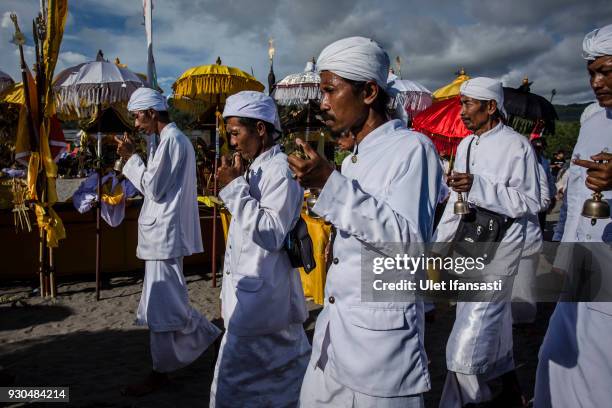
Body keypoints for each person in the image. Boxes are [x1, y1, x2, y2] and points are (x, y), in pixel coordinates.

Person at [289, 36, 442, 407]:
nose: (322, 102)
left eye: (330, 90)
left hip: (379, 348)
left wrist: (330, 184)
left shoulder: (411, 149)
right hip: (336, 335)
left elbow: (408, 246)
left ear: (369, 92)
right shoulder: (356, 156)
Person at [433, 77, 541, 407]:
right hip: (470, 247)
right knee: (489, 331)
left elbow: (531, 202)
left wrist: (479, 186)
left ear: (490, 107)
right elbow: (458, 201)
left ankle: (460, 402)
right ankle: (508, 394)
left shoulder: (516, 145)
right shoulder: (466, 145)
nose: (462, 112)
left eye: (468, 104)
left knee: (467, 343)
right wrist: (437, 247)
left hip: (502, 251)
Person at [115, 87, 221, 396]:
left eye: (137, 117)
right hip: (162, 235)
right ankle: (209, 339)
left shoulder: (173, 142)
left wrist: (130, 159)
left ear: (150, 113)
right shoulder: (170, 142)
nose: (136, 124)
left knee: (162, 304)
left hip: (163, 235)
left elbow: (154, 188)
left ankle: (162, 371)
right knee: (163, 300)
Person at [209, 91, 311, 407]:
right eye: (230, 135)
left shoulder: (279, 170)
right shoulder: (255, 168)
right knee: (273, 384)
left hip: (264, 300)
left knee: (236, 388)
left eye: (237, 133)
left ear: (261, 129)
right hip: (255, 297)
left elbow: (270, 234)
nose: (233, 142)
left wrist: (233, 188)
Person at [534, 24, 612, 408]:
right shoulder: (591, 118)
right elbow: (573, 195)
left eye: (607, 71)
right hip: (583, 265)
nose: (597, 82)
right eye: (591, 72)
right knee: (557, 361)